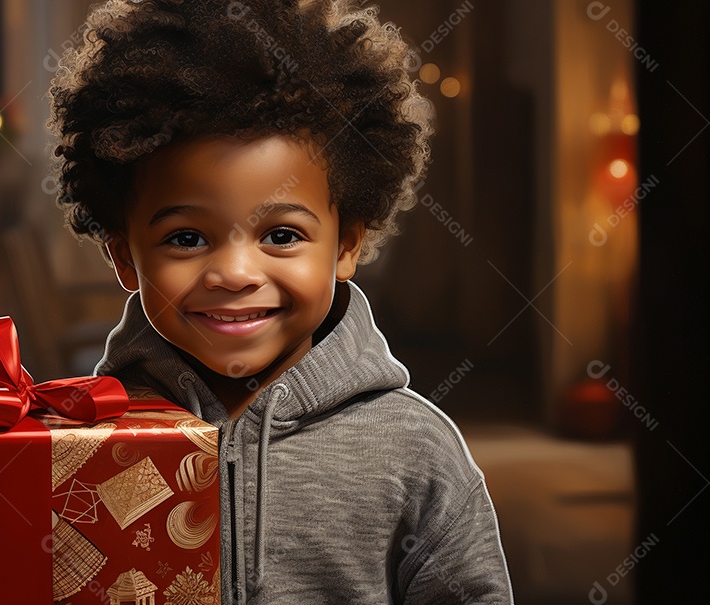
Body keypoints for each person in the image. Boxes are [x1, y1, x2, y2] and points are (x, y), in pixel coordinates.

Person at [47, 0, 513, 603]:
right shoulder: (83, 443)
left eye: (282, 236)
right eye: (186, 238)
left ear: (346, 247)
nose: (236, 273)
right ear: (125, 258)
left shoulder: (415, 452)